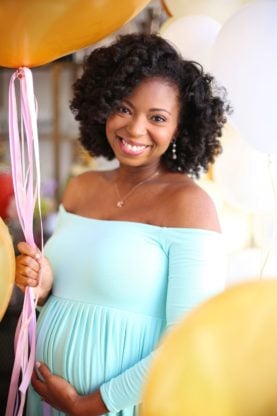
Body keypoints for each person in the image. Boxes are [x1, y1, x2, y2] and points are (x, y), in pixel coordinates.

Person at [15, 33, 230, 416]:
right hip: (45, 400)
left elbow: (188, 340)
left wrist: (88, 405)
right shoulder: (81, 188)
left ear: (180, 127)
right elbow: (71, 289)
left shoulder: (189, 206)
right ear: (103, 107)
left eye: (158, 118)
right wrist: (44, 286)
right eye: (124, 108)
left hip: (120, 407)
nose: (134, 129)